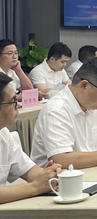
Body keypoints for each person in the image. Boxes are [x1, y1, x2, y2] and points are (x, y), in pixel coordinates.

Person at [0, 72, 63, 204]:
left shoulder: (3, 133)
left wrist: (49, 175)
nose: (18, 105)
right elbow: (35, 185)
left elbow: (29, 171)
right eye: (13, 101)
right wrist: (35, 187)